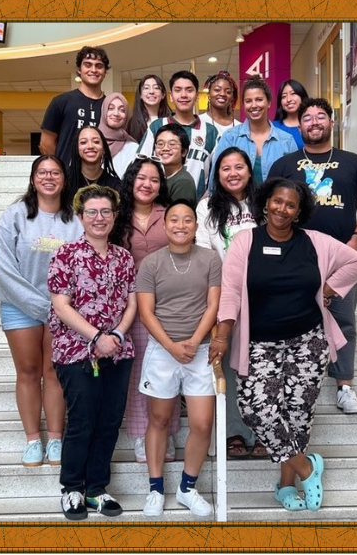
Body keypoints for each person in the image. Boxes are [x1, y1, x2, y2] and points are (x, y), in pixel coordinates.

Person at [209, 178, 357, 512]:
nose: (283, 209)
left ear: (299, 211)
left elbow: (356, 262)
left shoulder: (315, 242)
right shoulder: (244, 241)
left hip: (308, 341)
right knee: (258, 409)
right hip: (260, 343)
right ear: (266, 203)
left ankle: (285, 486)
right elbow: (232, 293)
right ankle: (308, 468)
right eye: (277, 201)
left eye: (291, 205)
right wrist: (222, 336)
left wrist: (330, 289)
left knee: (297, 416)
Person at [268, 97, 357, 414]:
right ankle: (285, 383)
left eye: (321, 116)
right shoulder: (285, 164)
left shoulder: (352, 162)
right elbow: (270, 207)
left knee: (343, 319)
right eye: (307, 117)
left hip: (340, 257)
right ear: (299, 124)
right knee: (288, 319)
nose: (314, 122)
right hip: (293, 257)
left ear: (331, 124)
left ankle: (344, 387)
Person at [48, 184, 137, 521]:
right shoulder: (65, 254)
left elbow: (131, 302)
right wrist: (96, 336)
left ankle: (97, 489)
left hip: (118, 349)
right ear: (80, 217)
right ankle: (72, 489)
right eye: (92, 212)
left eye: (105, 212)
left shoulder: (124, 257)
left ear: (115, 216)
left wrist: (115, 334)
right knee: (83, 420)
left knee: (109, 421)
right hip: (75, 351)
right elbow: (61, 305)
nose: (99, 218)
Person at [0, 155, 84, 467]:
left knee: (54, 372)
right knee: (28, 372)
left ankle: (56, 438)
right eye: (42, 172)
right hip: (20, 306)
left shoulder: (75, 220)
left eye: (55, 172)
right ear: (33, 180)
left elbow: (82, 265)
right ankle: (33, 439)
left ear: (63, 179)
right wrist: (40, 305)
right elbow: (3, 267)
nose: (49, 177)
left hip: (63, 309)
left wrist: (62, 306)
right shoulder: (15, 216)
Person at [136, 200, 222, 518]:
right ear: (165, 224)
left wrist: (195, 341)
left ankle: (187, 488)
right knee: (158, 420)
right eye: (174, 219)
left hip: (200, 350)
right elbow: (146, 311)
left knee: (201, 423)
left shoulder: (211, 259)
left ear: (196, 226)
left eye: (187, 219)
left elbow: (213, 305)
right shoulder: (151, 263)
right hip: (162, 350)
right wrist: (172, 346)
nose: (181, 225)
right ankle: (155, 488)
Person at [195, 146, 268, 460]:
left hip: (266, 295)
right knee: (229, 366)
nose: (233, 173)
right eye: (225, 168)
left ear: (249, 171)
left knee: (264, 368)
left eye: (239, 167)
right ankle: (234, 432)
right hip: (226, 296)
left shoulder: (264, 202)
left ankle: (266, 432)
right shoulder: (207, 207)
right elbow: (203, 252)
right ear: (217, 173)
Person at [109, 157, 182, 465]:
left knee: (169, 367)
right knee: (140, 370)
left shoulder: (169, 216)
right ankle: (141, 435)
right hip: (131, 306)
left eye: (154, 179)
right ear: (131, 180)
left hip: (170, 305)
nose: (147, 184)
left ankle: (167, 431)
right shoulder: (116, 216)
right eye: (141, 178)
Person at [138, 70, 219, 198]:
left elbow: (217, 175)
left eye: (189, 90)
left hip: (196, 211)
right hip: (158, 206)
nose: (183, 95)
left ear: (197, 96)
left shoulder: (211, 132)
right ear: (171, 96)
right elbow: (139, 167)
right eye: (178, 90)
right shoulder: (157, 127)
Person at [211, 75, 297, 187]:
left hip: (275, 203)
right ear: (243, 105)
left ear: (269, 102)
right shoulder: (230, 137)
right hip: (236, 203)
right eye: (248, 101)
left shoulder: (287, 140)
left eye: (259, 100)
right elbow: (216, 178)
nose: (254, 105)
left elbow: (296, 183)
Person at [40, 46, 109, 169]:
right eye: (88, 65)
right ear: (79, 70)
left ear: (105, 72)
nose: (93, 70)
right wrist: (62, 168)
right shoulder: (61, 101)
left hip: (99, 178)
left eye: (99, 66)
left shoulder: (110, 107)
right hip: (67, 178)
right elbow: (46, 144)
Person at [64, 125, 120, 201]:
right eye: (83, 142)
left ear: (103, 148)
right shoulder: (64, 180)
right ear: (76, 149)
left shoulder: (115, 185)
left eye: (96, 142)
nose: (90, 146)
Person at [154, 123, 197, 205]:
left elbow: (178, 215)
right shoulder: (160, 176)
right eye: (160, 144)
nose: (165, 148)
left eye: (172, 144)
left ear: (184, 151)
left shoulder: (183, 182)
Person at [98, 92, 138, 179]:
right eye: (111, 108)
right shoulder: (90, 142)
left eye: (122, 110)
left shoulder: (132, 148)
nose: (116, 113)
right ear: (104, 111)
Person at [127, 74, 172, 143]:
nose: (151, 92)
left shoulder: (172, 120)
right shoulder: (132, 123)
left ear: (163, 94)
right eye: (146, 88)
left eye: (156, 88)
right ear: (140, 95)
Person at [198, 70, 241, 137]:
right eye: (217, 90)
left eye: (228, 92)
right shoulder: (198, 122)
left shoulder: (240, 128)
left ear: (232, 98)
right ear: (209, 94)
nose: (222, 94)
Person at [273, 79, 309, 148]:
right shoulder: (273, 127)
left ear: (302, 97)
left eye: (293, 94)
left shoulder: (310, 125)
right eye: (284, 96)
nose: (289, 99)